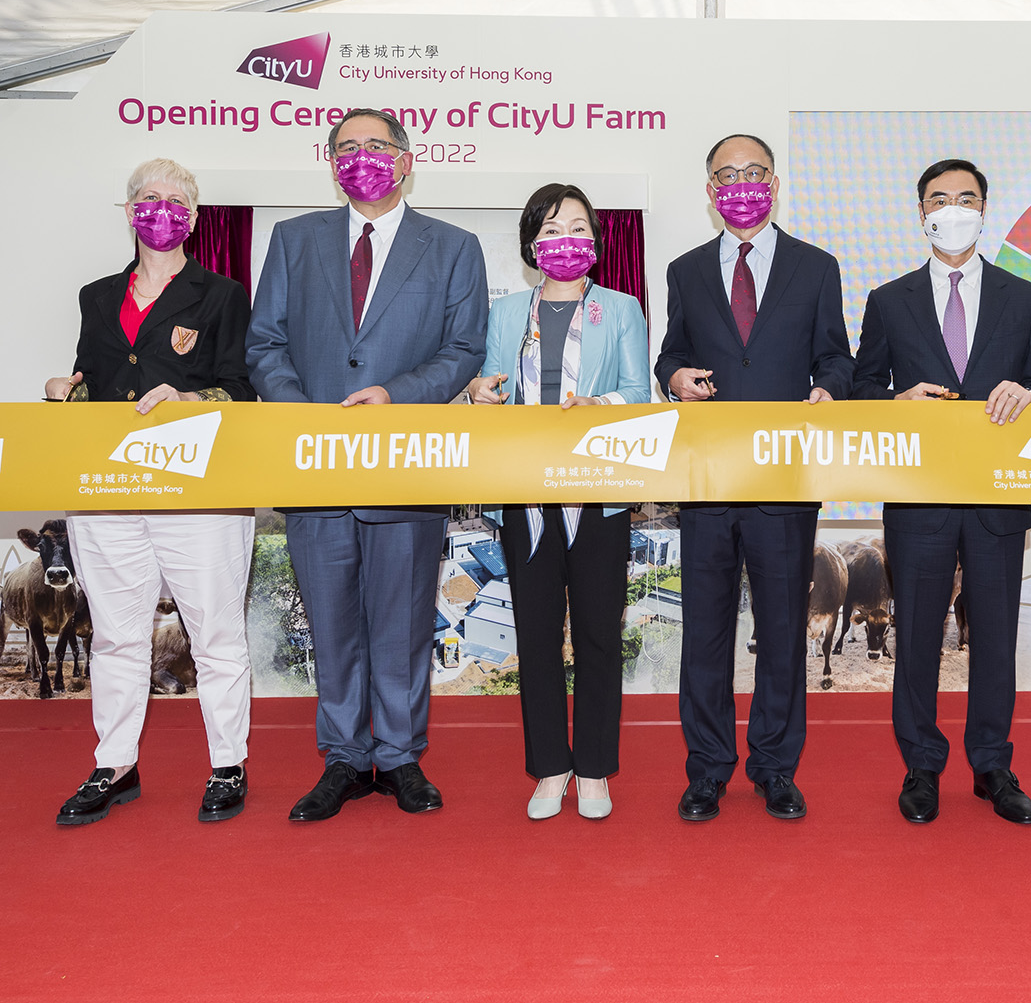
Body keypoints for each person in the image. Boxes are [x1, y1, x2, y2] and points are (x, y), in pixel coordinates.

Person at [247, 108, 488, 821]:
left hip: (404, 466)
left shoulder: (453, 246)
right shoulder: (294, 241)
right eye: (346, 148)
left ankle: (402, 757)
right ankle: (346, 758)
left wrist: (399, 394)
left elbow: (464, 349)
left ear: (407, 159)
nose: (362, 158)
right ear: (330, 164)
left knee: (404, 622)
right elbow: (264, 344)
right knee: (332, 622)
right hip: (315, 467)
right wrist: (308, 412)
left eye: (376, 146)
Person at [48, 158, 256, 825]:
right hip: (110, 489)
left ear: (194, 217)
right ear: (130, 210)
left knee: (215, 632)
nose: (159, 207)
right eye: (147, 197)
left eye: (174, 199)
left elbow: (243, 391)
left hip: (201, 490)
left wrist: (191, 397)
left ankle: (228, 762)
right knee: (115, 636)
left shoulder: (222, 294)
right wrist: (65, 391)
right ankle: (114, 762)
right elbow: (94, 377)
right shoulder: (95, 295)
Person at [654, 133, 854, 822]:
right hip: (707, 483)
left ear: (774, 181)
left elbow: (837, 356)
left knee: (781, 629)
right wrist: (674, 375)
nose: (740, 183)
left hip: (784, 480)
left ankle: (774, 766)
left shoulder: (816, 267)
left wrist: (829, 387)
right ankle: (707, 768)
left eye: (754, 172)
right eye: (726, 174)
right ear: (710, 190)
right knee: (704, 632)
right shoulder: (685, 270)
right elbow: (670, 353)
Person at [853, 158, 1031, 825]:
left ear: (984, 208)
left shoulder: (1025, 298)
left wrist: (1030, 393)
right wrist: (896, 399)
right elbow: (860, 391)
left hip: (999, 492)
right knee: (916, 631)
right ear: (921, 213)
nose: (953, 208)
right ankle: (921, 763)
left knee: (995, 633)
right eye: (940, 198)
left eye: (966, 197)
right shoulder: (889, 300)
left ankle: (992, 762)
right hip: (920, 495)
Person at [467, 183, 649, 821]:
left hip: (601, 492)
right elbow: (489, 386)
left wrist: (602, 406)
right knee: (536, 635)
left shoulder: (621, 309)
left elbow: (637, 390)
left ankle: (595, 768)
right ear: (531, 245)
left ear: (596, 243)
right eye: (550, 228)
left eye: (577, 226)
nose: (564, 239)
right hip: (526, 495)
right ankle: (550, 768)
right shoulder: (507, 312)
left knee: (600, 633)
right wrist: (480, 394)